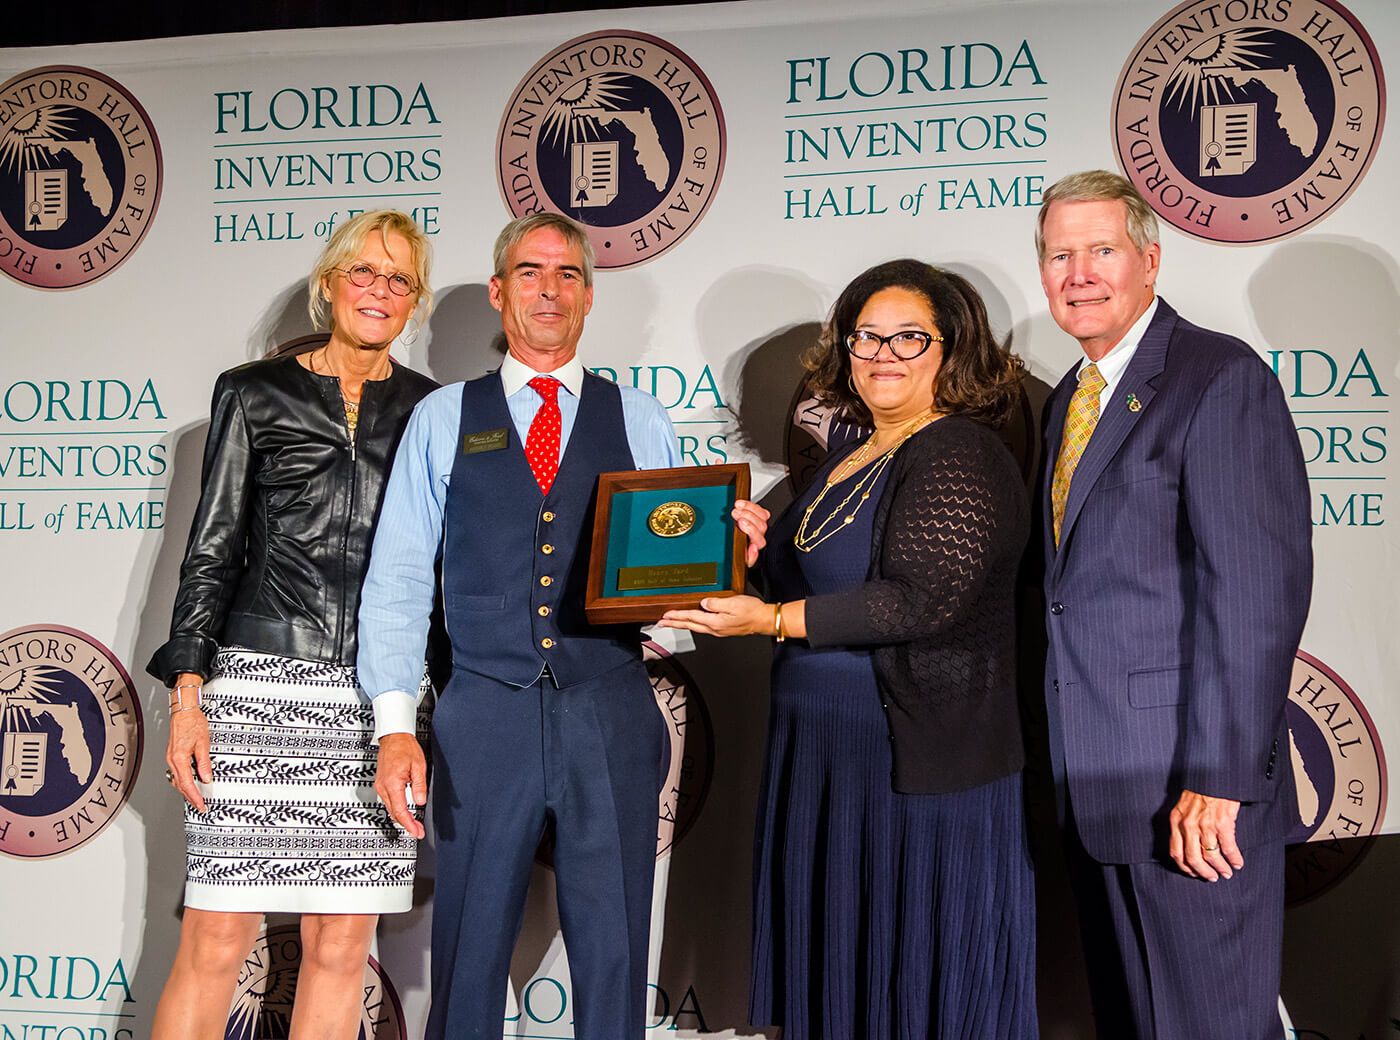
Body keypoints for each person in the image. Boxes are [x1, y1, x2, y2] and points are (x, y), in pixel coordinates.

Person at [357, 212, 766, 1040]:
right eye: (531, 272)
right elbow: (397, 577)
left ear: (588, 297)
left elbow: (673, 582)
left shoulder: (640, 418)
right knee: (468, 952)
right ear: (499, 291)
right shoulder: (443, 416)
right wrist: (394, 726)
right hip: (484, 713)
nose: (550, 289)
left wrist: (729, 558)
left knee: (614, 953)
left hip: (608, 705)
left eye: (568, 274)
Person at [661, 260, 1037, 1039]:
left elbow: (919, 600)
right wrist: (755, 555)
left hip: (913, 767)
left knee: (916, 985)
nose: (882, 354)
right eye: (867, 336)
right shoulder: (851, 455)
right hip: (825, 759)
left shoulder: (960, 451)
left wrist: (769, 620)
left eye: (909, 337)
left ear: (952, 348)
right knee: (843, 979)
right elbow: (823, 581)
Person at [1031, 170, 1311, 1039]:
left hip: (1193, 798)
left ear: (1149, 260)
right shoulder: (1068, 399)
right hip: (1100, 788)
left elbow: (1255, 595)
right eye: (1059, 256)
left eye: (1101, 251)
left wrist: (1218, 781)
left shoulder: (1217, 378)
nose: (1079, 274)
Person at [147, 210, 439, 1039]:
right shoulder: (252, 392)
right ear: (329, 284)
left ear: (414, 301)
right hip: (258, 688)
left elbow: (443, 567)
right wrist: (188, 698)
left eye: (399, 279)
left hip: (380, 702)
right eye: (364, 272)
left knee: (343, 947)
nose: (379, 291)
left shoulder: (431, 410)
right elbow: (211, 551)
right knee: (216, 938)